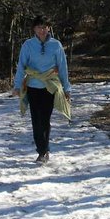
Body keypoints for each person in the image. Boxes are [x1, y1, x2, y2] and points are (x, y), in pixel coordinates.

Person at [12, 16, 71, 164]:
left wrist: (66, 88)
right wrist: (17, 86)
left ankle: (43, 151)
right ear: (34, 29)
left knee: (44, 119)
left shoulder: (56, 45)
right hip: (33, 86)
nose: (42, 30)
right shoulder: (28, 45)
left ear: (49, 28)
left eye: (45, 27)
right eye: (39, 27)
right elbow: (21, 66)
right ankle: (43, 149)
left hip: (49, 86)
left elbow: (62, 68)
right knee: (36, 120)